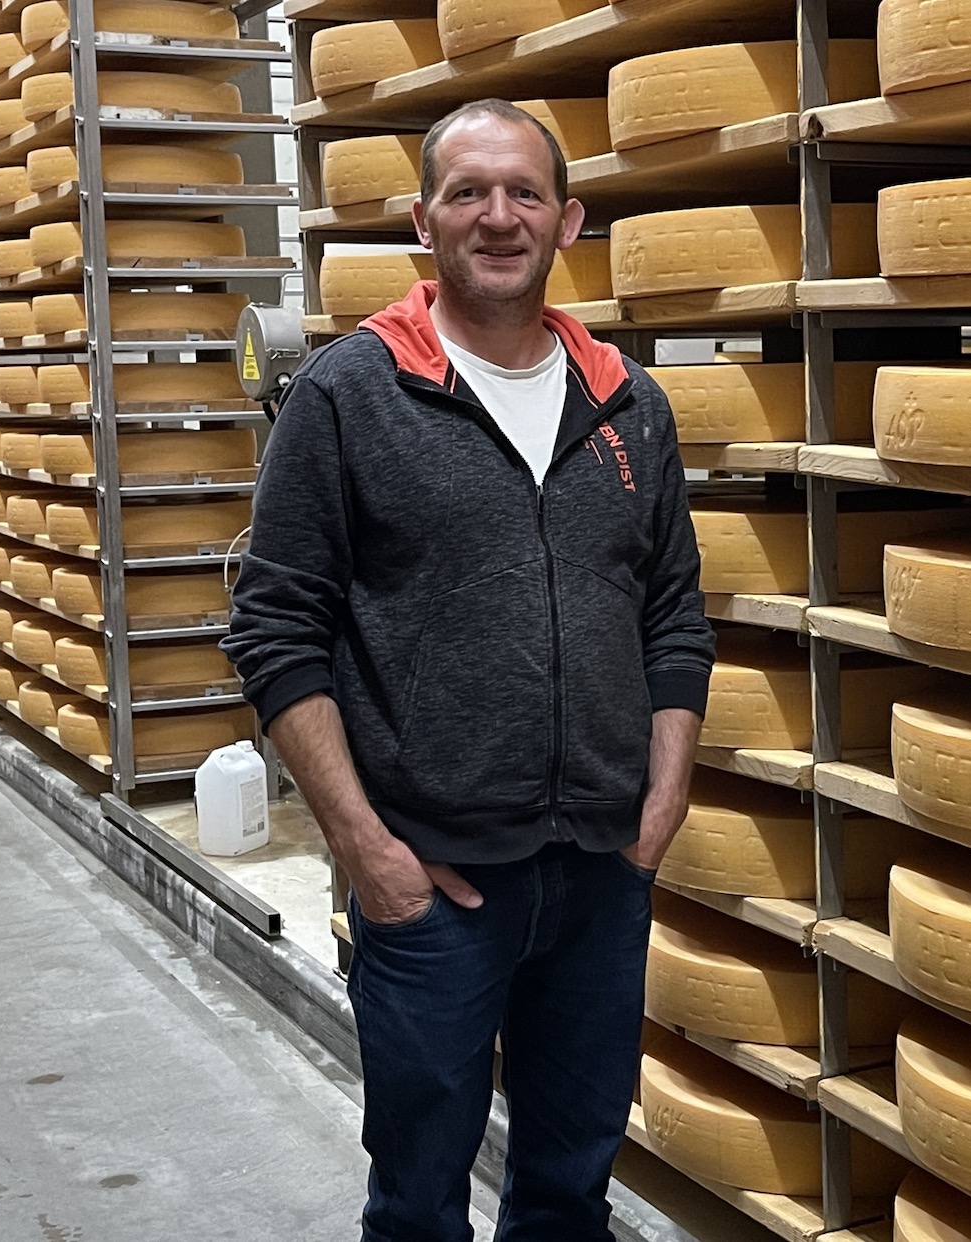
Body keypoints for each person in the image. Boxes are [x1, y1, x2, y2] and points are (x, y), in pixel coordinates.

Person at [222, 98, 716, 1242]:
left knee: (568, 1188)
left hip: (601, 872)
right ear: (423, 222)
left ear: (568, 221)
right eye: (467, 193)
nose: (498, 217)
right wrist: (364, 848)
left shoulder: (630, 404)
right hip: (432, 885)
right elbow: (275, 629)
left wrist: (662, 801)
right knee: (418, 1201)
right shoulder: (347, 395)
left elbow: (675, 614)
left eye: (524, 193)